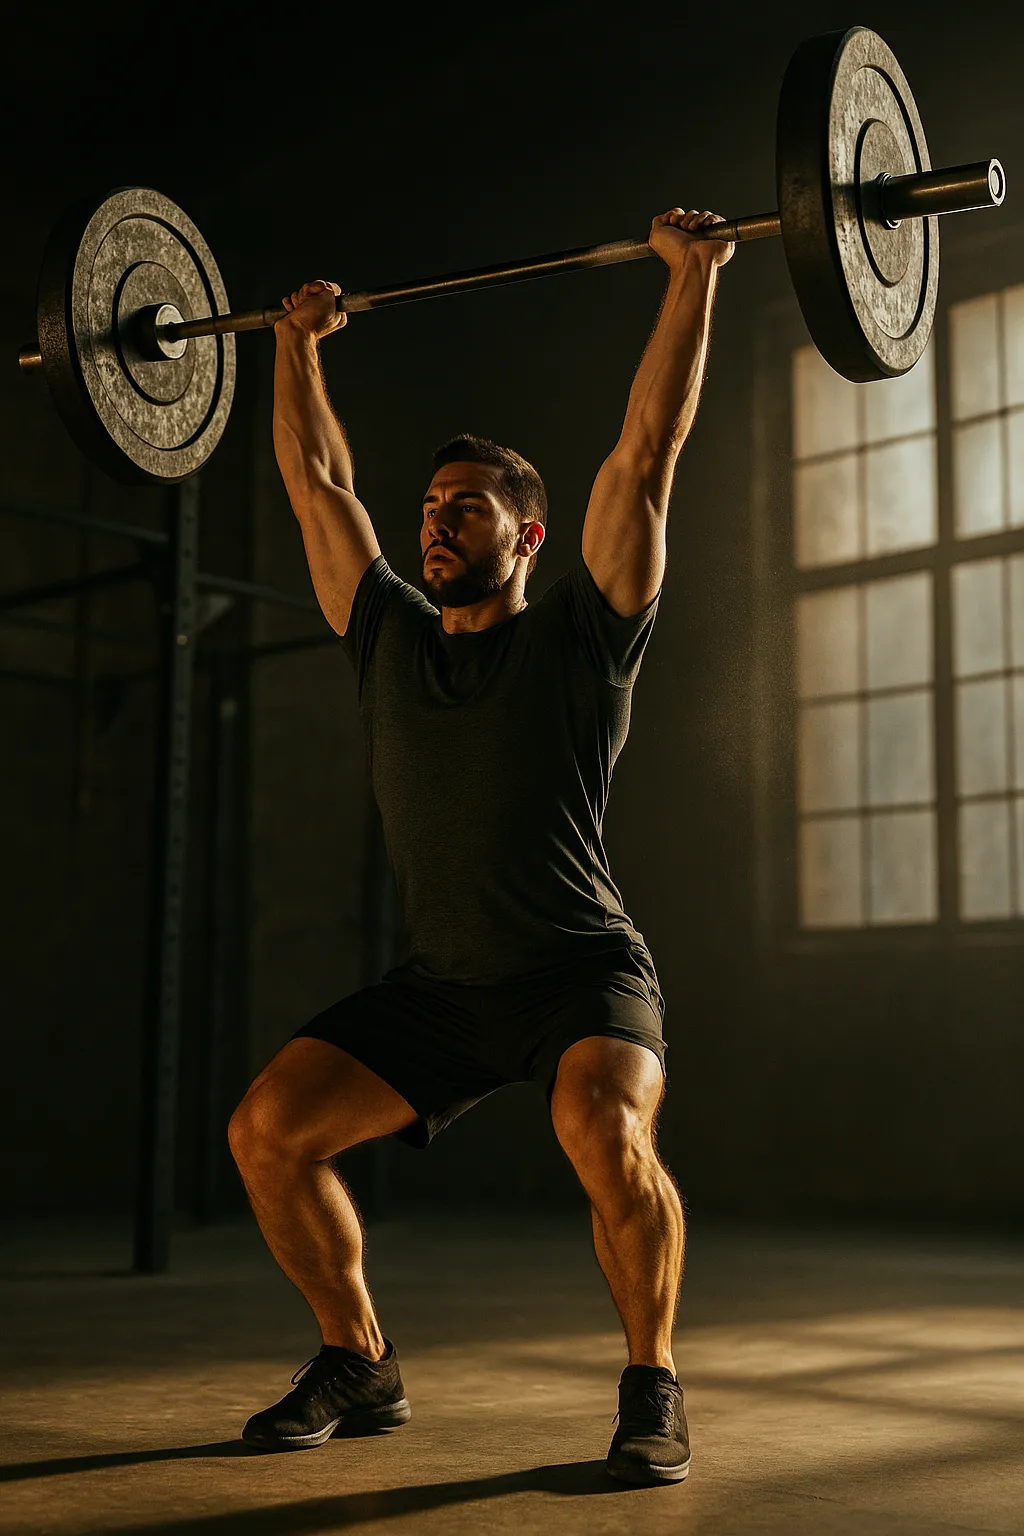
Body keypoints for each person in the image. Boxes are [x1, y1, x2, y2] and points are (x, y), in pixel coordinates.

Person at [228, 207, 732, 1485]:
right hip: (447, 986)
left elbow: (647, 452)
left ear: (529, 537)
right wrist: (298, 347)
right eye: (432, 507)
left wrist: (695, 276)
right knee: (268, 1130)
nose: (438, 521)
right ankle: (361, 1359)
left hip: (578, 969)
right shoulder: (386, 633)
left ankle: (652, 1387)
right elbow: (318, 484)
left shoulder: (581, 636)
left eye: (468, 508)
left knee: (604, 1129)